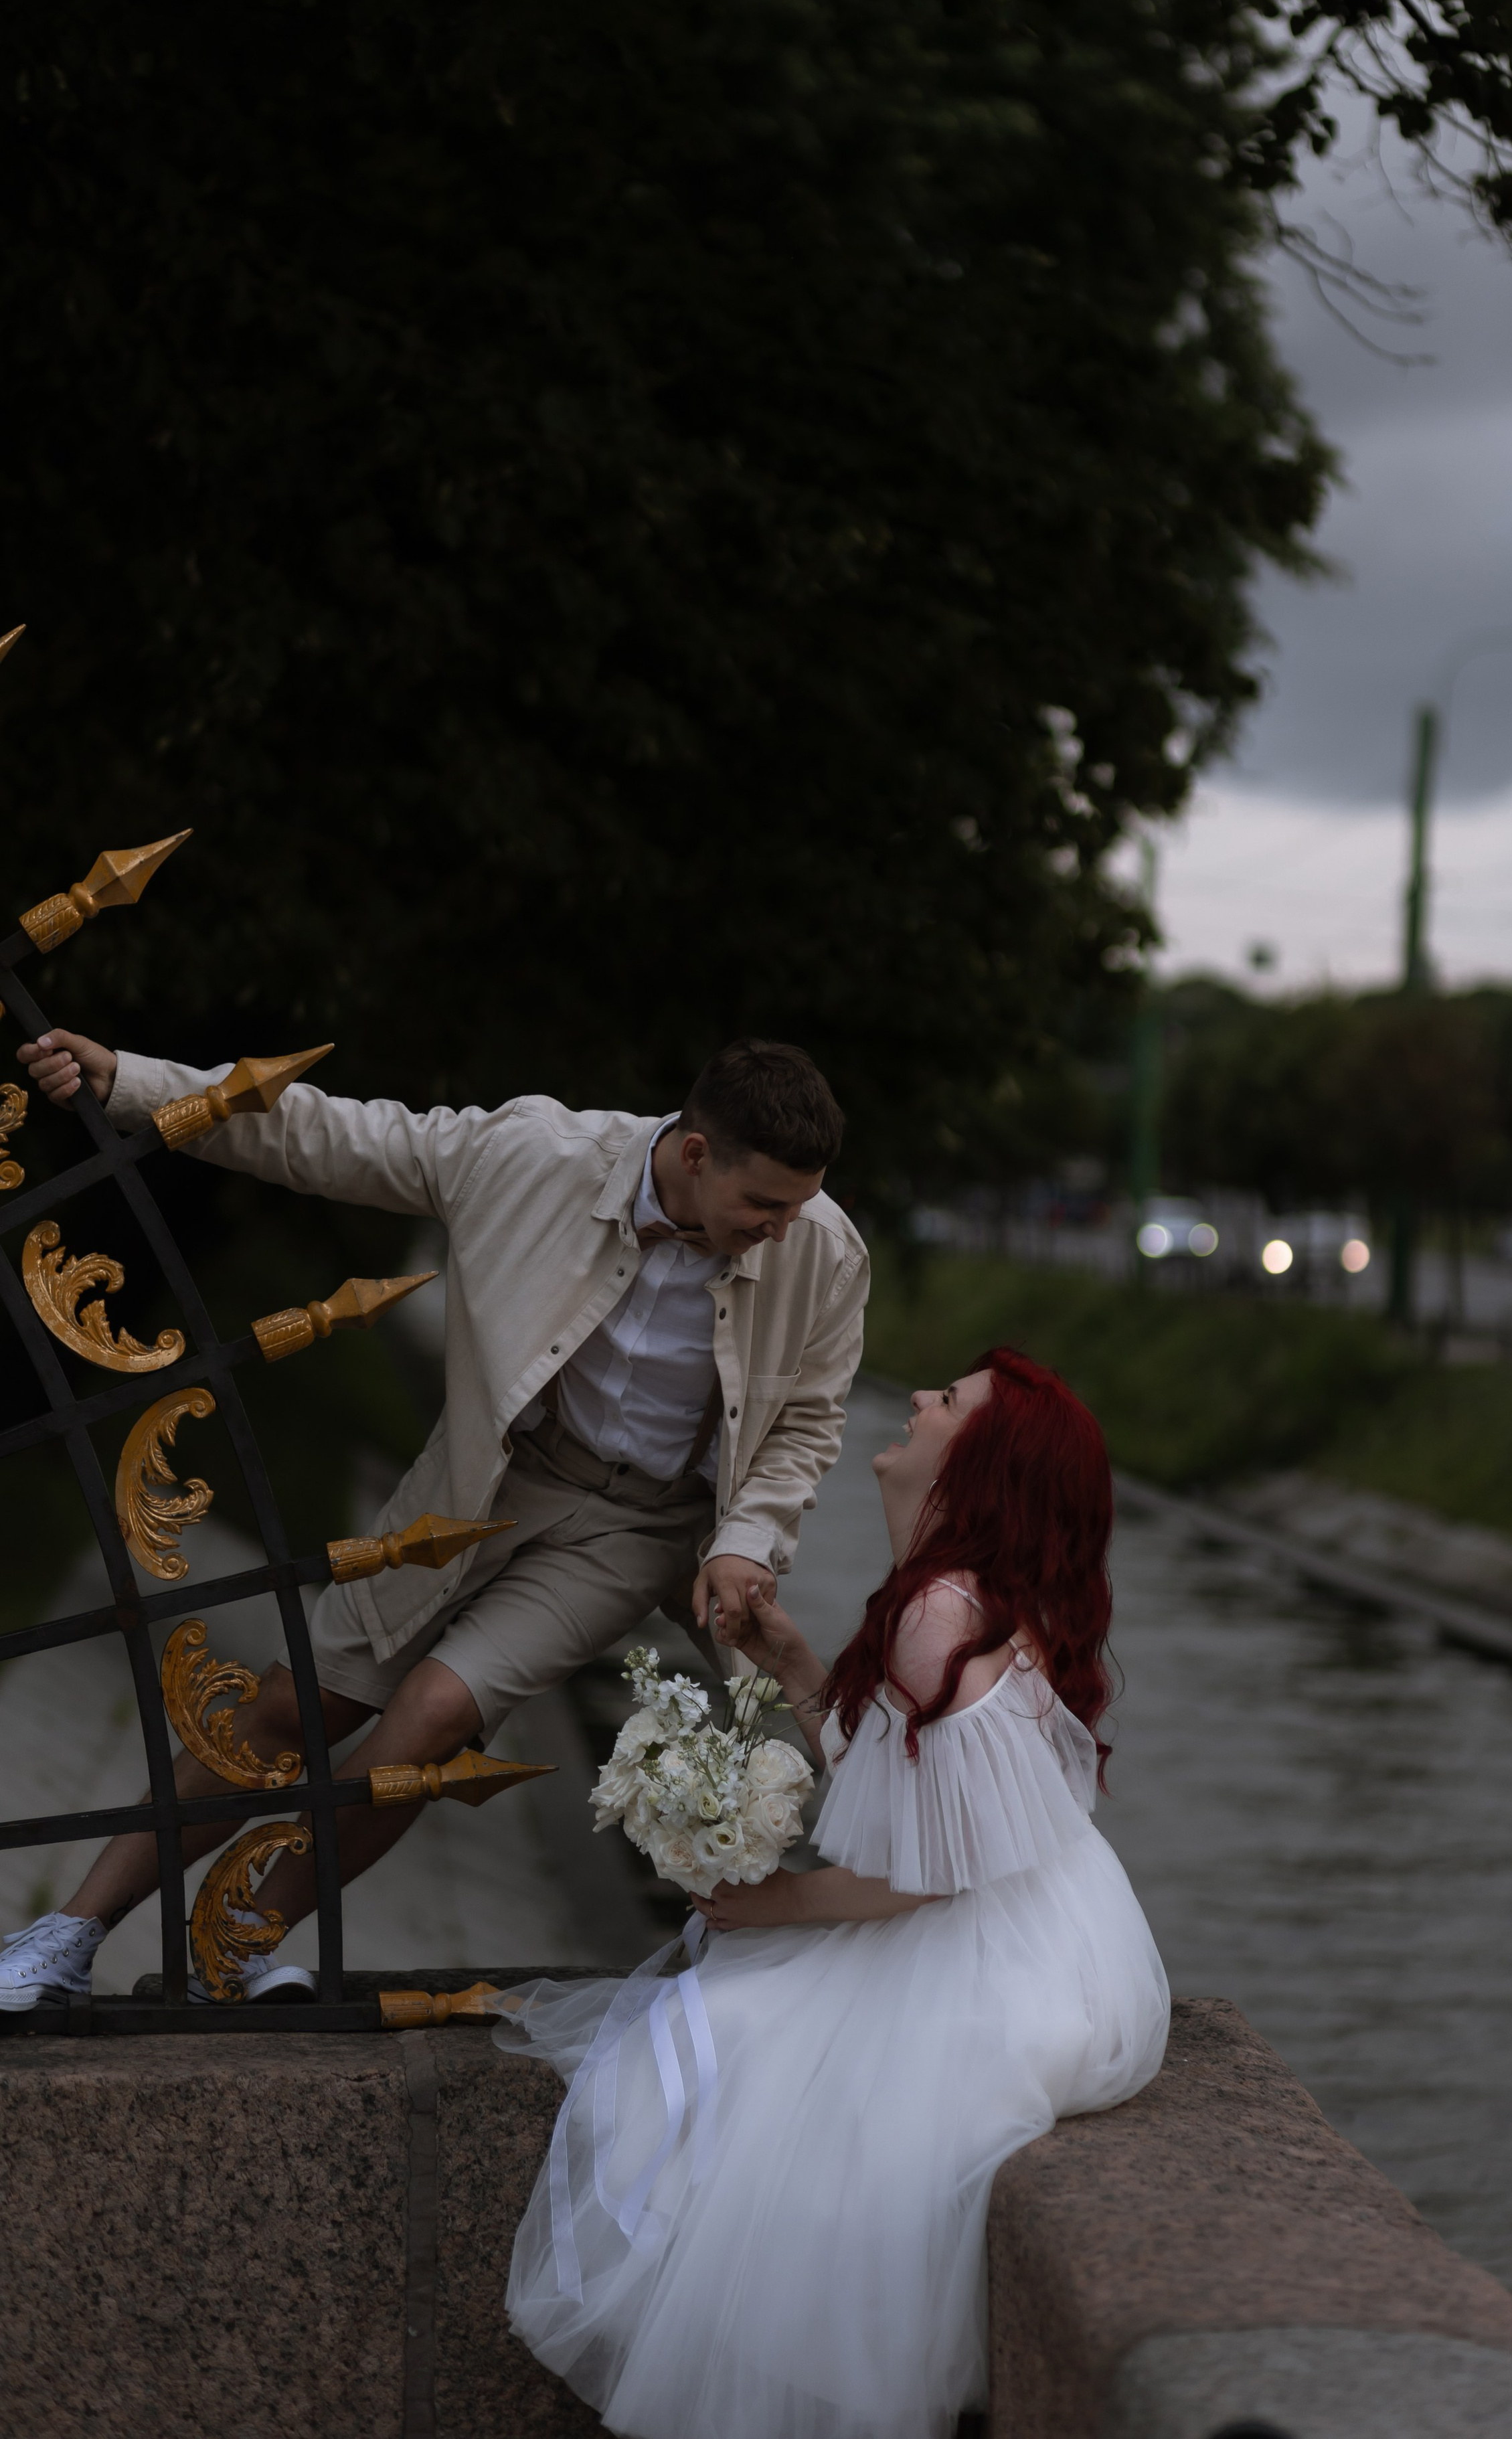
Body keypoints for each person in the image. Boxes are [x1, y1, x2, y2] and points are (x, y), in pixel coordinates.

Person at [0, 1028, 865, 2010]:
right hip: (483, 1478)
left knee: (433, 1721)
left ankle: (229, 1951)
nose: (785, 1229)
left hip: (636, 1528)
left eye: (801, 1205)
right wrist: (139, 1084)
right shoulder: (535, 1153)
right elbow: (333, 1137)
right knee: (296, 1708)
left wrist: (747, 1539)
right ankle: (67, 1934)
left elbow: (807, 1422)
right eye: (765, 1205)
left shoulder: (825, 1250)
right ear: (696, 1153)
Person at [497, 1347, 1171, 2439]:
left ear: (981, 1462)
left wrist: (759, 1907)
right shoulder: (972, 1600)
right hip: (1060, 1926)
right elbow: (913, 1796)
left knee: (694, 2063)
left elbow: (919, 1880)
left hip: (985, 1949)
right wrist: (803, 1673)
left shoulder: (939, 1612)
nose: (916, 1401)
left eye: (947, 1402)